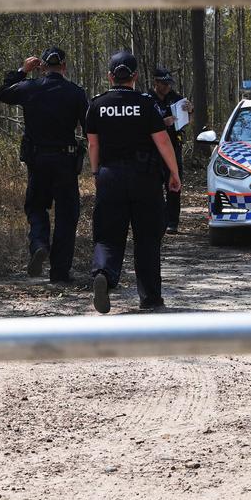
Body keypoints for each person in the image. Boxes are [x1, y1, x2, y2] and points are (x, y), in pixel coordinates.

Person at [86, 50, 182, 313]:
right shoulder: (146, 104)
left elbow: (93, 144)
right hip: (145, 179)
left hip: (109, 177)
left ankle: (103, 274)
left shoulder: (97, 104)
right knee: (147, 239)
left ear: (110, 76)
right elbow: (162, 141)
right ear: (135, 76)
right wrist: (174, 174)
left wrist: (96, 173)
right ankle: (150, 298)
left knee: (107, 236)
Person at [0, 47, 89, 283]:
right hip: (65, 161)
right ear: (64, 66)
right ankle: (59, 272)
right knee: (67, 215)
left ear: (43, 66)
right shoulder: (75, 93)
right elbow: (89, 128)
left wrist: (22, 71)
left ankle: (39, 244)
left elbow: (3, 94)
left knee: (37, 207)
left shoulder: (30, 87)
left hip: (38, 161)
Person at [148, 67, 193, 234]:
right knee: (153, 188)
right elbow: (142, 124)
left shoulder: (176, 98)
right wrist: (162, 122)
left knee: (174, 186)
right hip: (152, 150)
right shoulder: (147, 99)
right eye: (164, 84)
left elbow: (187, 119)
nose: (168, 87)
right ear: (156, 83)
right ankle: (156, 220)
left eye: (169, 84)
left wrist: (190, 110)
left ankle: (172, 222)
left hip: (174, 147)